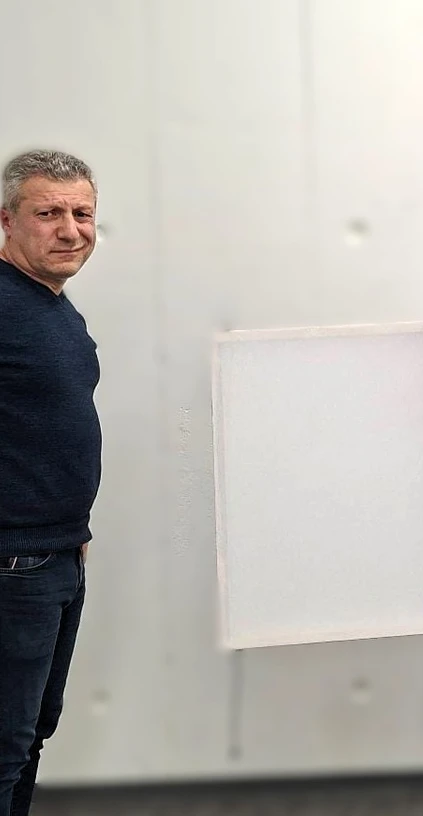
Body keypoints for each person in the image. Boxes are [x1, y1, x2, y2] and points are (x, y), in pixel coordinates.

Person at [0, 149, 102, 816]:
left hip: (58, 554)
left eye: (82, 214)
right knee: (5, 744)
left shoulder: (52, 306)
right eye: (49, 214)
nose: (70, 230)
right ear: (7, 220)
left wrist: (69, 528)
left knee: (31, 733)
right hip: (15, 564)